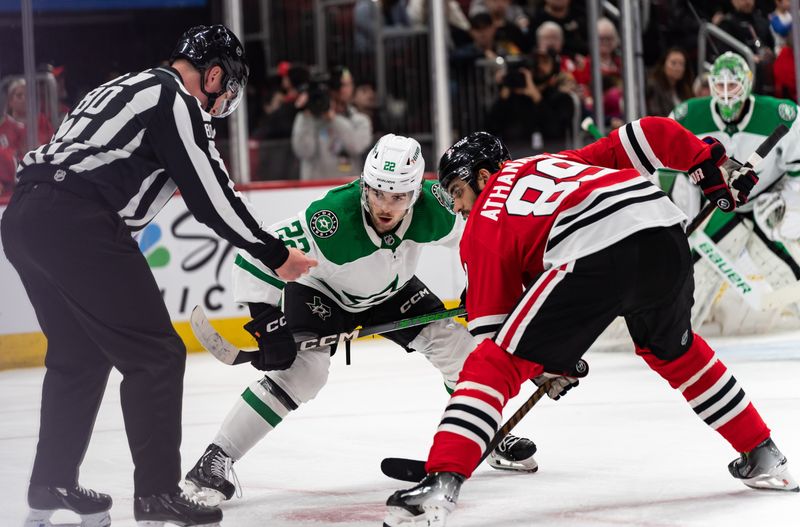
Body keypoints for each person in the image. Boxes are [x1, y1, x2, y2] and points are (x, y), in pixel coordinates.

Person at [383, 118, 797, 526]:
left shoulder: (482, 226)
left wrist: (545, 366)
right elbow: (653, 132)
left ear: (485, 175)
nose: (457, 207)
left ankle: (440, 483)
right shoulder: (559, 161)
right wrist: (712, 166)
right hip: (663, 231)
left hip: (593, 249)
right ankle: (763, 453)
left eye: (457, 191)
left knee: (491, 364)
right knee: (675, 351)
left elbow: (495, 341)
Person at [1, 24, 316, 527]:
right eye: (227, 87)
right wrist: (274, 253)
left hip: (25, 218)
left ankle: (49, 484)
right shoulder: (175, 99)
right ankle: (156, 494)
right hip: (79, 221)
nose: (223, 102)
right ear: (213, 74)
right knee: (157, 356)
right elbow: (211, 195)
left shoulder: (127, 87)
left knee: (78, 357)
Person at [182, 134, 540, 506]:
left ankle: (487, 434)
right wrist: (266, 322)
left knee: (463, 353)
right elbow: (256, 257)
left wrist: (479, 279)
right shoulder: (332, 218)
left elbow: (480, 236)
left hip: (393, 292)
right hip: (324, 293)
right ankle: (216, 458)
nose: (385, 206)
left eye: (399, 196)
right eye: (377, 193)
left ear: (416, 193)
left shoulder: (438, 207)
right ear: (365, 185)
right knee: (304, 372)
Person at [670, 51, 800, 333]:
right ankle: (672, 335)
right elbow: (674, 174)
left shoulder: (782, 116)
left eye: (733, 86)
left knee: (789, 273)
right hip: (717, 206)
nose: (727, 94)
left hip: (763, 202)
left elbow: (798, 173)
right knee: (693, 277)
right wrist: (686, 219)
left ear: (747, 84)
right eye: (721, 85)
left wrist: (784, 204)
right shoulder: (687, 117)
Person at [291, 66, 373, 181]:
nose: (345, 90)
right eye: (341, 85)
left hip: (347, 188)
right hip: (314, 190)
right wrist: (306, 116)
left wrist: (333, 119)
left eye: (348, 84)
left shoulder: (360, 120)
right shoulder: (306, 118)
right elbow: (304, 151)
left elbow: (356, 146)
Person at [645, 47, 694, 117]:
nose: (678, 68)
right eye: (673, 63)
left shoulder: (685, 89)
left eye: (681, 64)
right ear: (663, 65)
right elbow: (655, 116)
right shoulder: (653, 86)